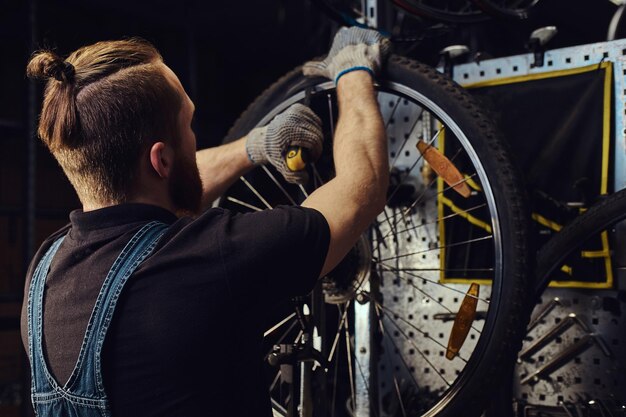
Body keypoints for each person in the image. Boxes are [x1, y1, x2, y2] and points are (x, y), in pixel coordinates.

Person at [20, 27, 390, 417]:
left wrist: (258, 145)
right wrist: (352, 73)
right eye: (189, 125)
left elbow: (163, 184)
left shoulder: (43, 276)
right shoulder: (215, 256)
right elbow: (360, 189)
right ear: (160, 160)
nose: (195, 140)